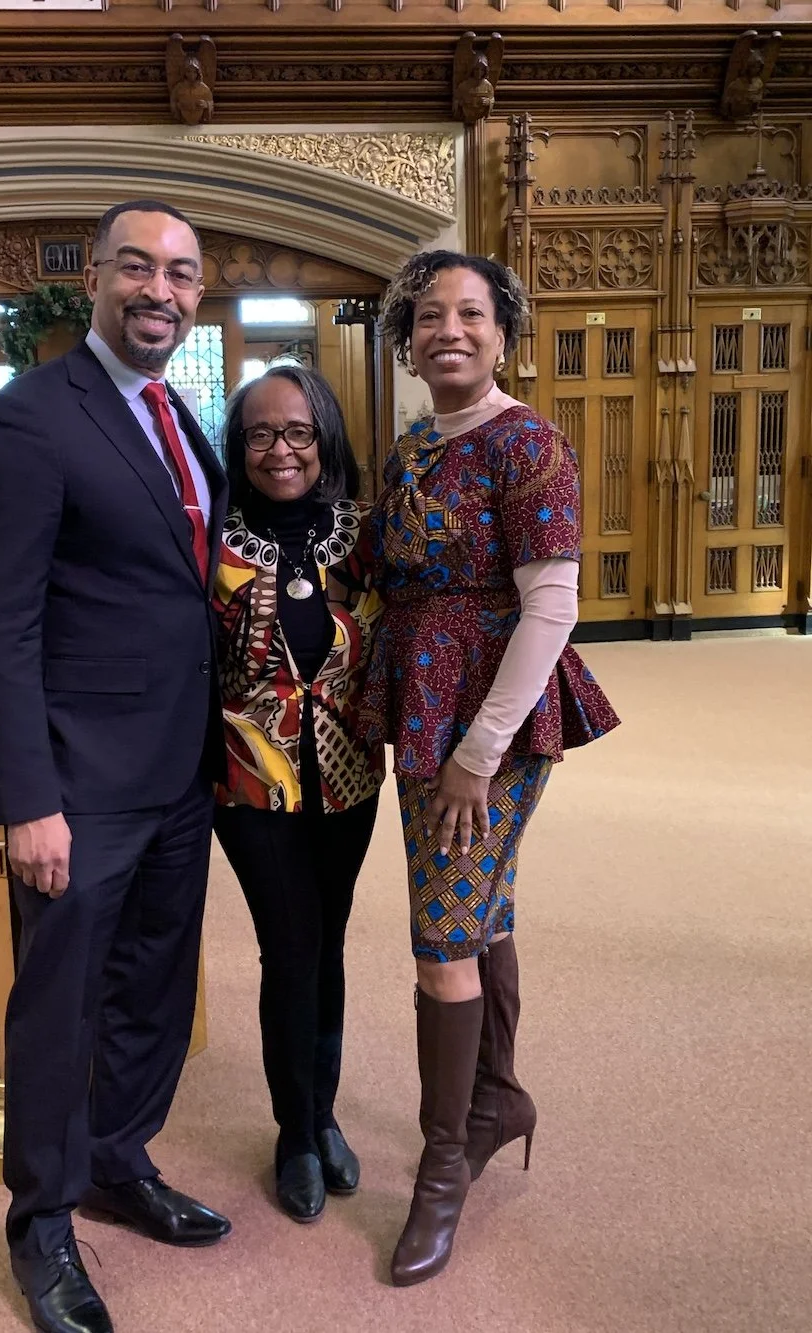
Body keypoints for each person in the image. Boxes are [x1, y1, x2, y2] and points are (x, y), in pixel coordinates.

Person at [0, 199, 231, 1333]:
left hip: (178, 776)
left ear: (196, 294)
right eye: (136, 267)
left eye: (178, 274)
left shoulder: (182, 416)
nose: (157, 290)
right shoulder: (33, 420)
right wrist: (30, 800)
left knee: (155, 991)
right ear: (96, 285)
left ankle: (120, 1160)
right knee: (61, 1008)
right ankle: (43, 1225)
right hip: (77, 785)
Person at [359, 250, 620, 1288]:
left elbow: (551, 607)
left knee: (439, 938)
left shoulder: (529, 446)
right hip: (423, 704)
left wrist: (478, 750)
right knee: (475, 909)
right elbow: (376, 568)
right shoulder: (411, 445)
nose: (448, 330)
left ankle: (443, 1164)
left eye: (470, 313)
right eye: (429, 316)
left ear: (502, 333)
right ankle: (498, 1095)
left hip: (491, 720)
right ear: (409, 339)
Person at [212, 366, 384, 1223]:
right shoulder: (212, 540)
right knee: (291, 947)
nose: (281, 450)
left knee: (333, 942)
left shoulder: (363, 533)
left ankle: (324, 1113)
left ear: (325, 438)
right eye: (261, 435)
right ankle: (293, 1133)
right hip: (250, 785)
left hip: (350, 776)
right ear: (239, 449)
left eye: (297, 432)